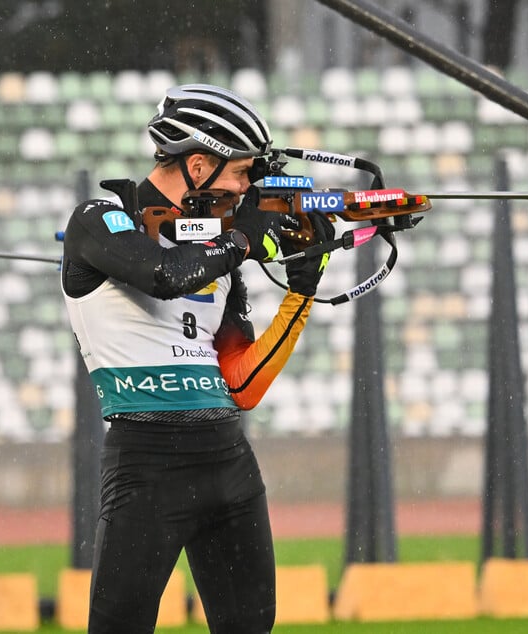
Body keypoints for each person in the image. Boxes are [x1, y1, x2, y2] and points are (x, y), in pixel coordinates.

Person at [60, 84, 336, 634]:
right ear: (199, 163)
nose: (246, 189)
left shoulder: (219, 249)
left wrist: (300, 291)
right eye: (240, 173)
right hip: (148, 463)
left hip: (230, 461)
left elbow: (243, 385)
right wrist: (243, 240)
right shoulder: (99, 217)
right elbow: (165, 276)